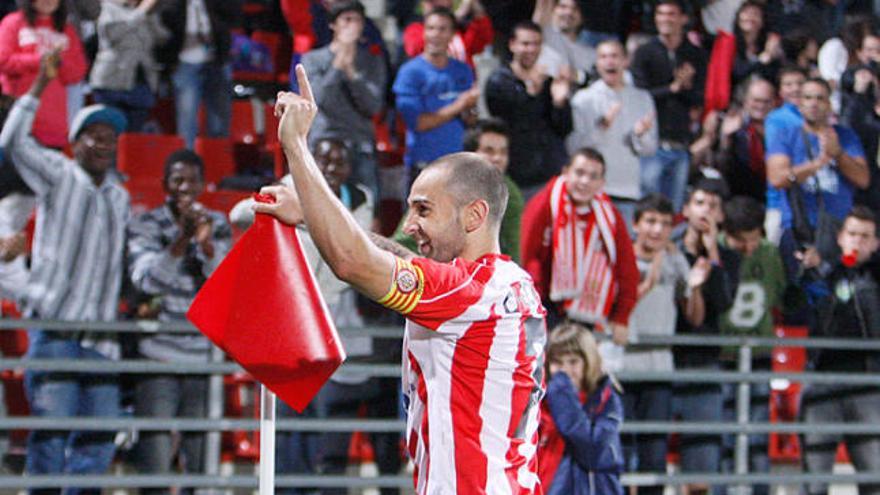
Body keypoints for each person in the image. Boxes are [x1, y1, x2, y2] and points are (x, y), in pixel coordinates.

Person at [255, 64, 546, 493]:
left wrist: (296, 146)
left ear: (474, 216)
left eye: (424, 210)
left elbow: (352, 261)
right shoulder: (505, 284)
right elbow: (387, 255)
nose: (410, 225)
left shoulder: (470, 293)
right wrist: (308, 216)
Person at [0, 53, 129, 492]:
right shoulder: (58, 174)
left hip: (102, 338)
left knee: (99, 435)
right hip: (55, 330)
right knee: (51, 435)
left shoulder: (121, 196)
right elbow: (14, 142)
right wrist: (38, 87)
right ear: (76, 142)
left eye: (110, 137)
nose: (104, 143)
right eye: (94, 135)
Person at [126, 149, 232, 494]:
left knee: (200, 463)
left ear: (203, 184)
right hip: (158, 356)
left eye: (192, 181)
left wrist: (205, 248)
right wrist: (181, 240)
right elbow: (146, 281)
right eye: (177, 181)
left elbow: (226, 282)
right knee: (154, 460)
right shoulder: (145, 223)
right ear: (165, 186)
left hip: (203, 358)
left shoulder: (215, 223)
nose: (185, 188)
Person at [625, 193, 708, 495]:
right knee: (618, 452)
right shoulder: (621, 258)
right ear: (636, 225)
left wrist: (695, 287)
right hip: (621, 368)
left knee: (654, 455)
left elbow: (694, 317)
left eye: (664, 223)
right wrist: (651, 276)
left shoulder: (675, 260)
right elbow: (616, 311)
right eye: (650, 222)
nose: (657, 230)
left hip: (659, 370)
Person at [520, 148, 639, 350]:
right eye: (579, 173)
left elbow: (626, 267)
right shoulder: (543, 204)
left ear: (602, 183)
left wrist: (622, 317)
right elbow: (528, 258)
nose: (584, 182)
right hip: (545, 304)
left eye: (593, 176)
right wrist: (537, 309)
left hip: (586, 308)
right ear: (566, 172)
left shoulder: (609, 215)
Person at [798, 206, 880, 495]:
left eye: (865, 236)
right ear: (840, 237)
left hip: (869, 388)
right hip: (822, 383)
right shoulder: (823, 274)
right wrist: (812, 270)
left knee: (874, 478)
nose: (857, 242)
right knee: (815, 480)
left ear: (875, 243)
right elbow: (795, 303)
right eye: (852, 234)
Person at [766, 77, 869, 283]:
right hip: (797, 230)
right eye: (808, 98)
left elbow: (863, 179)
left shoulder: (845, 136)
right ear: (800, 104)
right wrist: (817, 164)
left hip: (838, 232)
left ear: (830, 104)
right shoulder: (786, 135)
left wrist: (838, 154)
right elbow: (777, 178)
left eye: (820, 98)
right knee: (798, 298)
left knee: (839, 294)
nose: (813, 103)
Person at [671, 177, 737, 495]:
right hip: (664, 360)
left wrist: (712, 252)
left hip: (705, 364)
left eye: (713, 206)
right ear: (685, 209)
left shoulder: (727, 257)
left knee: (700, 467)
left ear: (721, 215)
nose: (706, 211)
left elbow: (724, 301)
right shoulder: (667, 249)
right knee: (645, 457)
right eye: (699, 203)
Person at [718, 195, 787, 495]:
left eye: (753, 239)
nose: (747, 248)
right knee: (722, 437)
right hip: (721, 357)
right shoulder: (714, 250)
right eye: (739, 241)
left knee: (758, 436)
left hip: (759, 354)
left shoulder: (770, 254)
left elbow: (782, 296)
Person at [392, 117, 523, 263]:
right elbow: (402, 242)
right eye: (489, 151)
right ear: (470, 155)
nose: (498, 158)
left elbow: (513, 250)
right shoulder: (439, 183)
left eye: (503, 152)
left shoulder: (511, 195)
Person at [300, 0, 386, 206]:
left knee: (366, 207)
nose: (352, 25)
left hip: (360, 144)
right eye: (346, 20)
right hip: (324, 143)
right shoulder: (312, 59)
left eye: (357, 20)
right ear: (333, 25)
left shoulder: (373, 62)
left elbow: (373, 105)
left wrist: (351, 72)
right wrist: (339, 64)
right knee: (318, 207)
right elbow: (318, 100)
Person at [566, 39, 657, 225]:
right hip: (591, 191)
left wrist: (639, 135)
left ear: (625, 61)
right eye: (603, 57)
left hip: (628, 189)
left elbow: (650, 148)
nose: (610, 61)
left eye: (615, 56)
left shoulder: (642, 98)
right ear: (597, 63)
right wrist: (601, 127)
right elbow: (573, 147)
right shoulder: (583, 99)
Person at [630, 0, 707, 212]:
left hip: (681, 145)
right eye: (661, 14)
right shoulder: (644, 52)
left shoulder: (695, 54)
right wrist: (673, 88)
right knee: (648, 210)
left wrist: (686, 86)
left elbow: (699, 97)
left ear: (683, 18)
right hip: (652, 144)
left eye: (671, 14)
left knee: (672, 212)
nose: (665, 19)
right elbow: (639, 95)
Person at [485, 21, 573, 199]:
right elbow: (513, 120)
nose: (531, 49)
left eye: (536, 44)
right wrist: (532, 90)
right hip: (517, 176)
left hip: (549, 174)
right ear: (512, 45)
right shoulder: (499, 81)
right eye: (525, 44)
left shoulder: (549, 83)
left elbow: (564, 129)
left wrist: (559, 103)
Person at [392, 7, 478, 189]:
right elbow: (418, 123)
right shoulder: (409, 73)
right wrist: (459, 104)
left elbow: (469, 120)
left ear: (452, 34)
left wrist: (471, 112)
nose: (435, 34)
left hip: (457, 165)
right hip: (424, 165)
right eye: (430, 28)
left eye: (442, 29)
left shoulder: (463, 71)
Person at [538, 322, 624, 495]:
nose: (565, 371)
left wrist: (562, 394)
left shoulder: (605, 399)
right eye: (557, 362)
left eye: (573, 361)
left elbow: (594, 451)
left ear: (589, 361)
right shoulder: (540, 401)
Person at [0, 0, 87, 149]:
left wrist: (59, 63)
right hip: (16, 116)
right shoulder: (13, 22)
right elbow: (4, 60)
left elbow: (77, 73)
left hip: (53, 122)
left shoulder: (67, 30)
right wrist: (40, 60)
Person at [156, 0, 242, 148]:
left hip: (217, 62)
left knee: (219, 122)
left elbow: (234, 15)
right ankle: (187, 164)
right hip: (185, 62)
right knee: (187, 120)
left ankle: (218, 163)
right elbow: (165, 20)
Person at [89, 0, 169, 133]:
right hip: (112, 82)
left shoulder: (146, 12)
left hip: (141, 83)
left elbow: (162, 38)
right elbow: (113, 34)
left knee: (134, 136)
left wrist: (150, 16)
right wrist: (141, 12)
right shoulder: (109, 8)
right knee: (110, 131)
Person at [715, 77, 776, 203]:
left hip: (772, 196)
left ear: (774, 103)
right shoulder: (732, 125)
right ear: (746, 101)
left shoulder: (780, 129)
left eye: (766, 101)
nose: (761, 106)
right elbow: (722, 167)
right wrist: (726, 139)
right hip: (739, 198)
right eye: (756, 100)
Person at [401, 0, 493, 67]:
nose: (433, 5)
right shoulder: (415, 29)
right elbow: (415, 49)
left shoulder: (458, 32)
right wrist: (453, 20)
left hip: (461, 83)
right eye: (429, 2)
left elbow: (482, 39)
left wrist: (473, 5)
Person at [532, 0, 596, 86]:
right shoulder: (545, 33)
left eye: (575, 9)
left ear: (582, 17)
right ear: (552, 11)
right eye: (563, 7)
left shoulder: (592, 53)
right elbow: (542, 5)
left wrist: (576, 75)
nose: (568, 12)